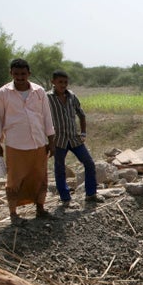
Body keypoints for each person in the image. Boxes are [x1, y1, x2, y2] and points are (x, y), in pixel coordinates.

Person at [0, 58, 56, 226]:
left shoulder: (39, 91)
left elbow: (46, 117)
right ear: (11, 74)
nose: (20, 77)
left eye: (23, 74)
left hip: (38, 142)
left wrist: (51, 140)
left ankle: (40, 208)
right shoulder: (3, 93)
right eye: (16, 74)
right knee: (14, 178)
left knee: (40, 175)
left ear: (29, 74)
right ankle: (14, 213)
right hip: (15, 143)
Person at [47, 70, 104, 208]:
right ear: (53, 82)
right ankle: (65, 198)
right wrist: (48, 141)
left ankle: (91, 194)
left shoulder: (72, 96)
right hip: (58, 139)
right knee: (60, 169)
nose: (63, 85)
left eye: (65, 82)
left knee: (89, 163)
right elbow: (41, 118)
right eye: (60, 82)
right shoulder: (47, 98)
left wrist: (83, 133)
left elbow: (81, 115)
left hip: (74, 138)